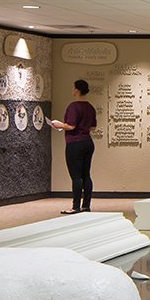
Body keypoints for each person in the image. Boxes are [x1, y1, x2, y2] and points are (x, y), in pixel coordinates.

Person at [50, 79, 97, 214]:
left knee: (76, 176)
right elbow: (93, 127)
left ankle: (75, 206)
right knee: (86, 175)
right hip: (88, 142)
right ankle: (86, 205)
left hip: (75, 143)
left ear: (76, 90)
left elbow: (71, 126)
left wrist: (58, 124)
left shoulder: (74, 107)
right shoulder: (90, 107)